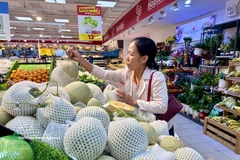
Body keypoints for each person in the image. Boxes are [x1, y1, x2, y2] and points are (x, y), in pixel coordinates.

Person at [67, 37, 174, 135]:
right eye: (127, 53)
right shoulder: (128, 73)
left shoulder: (156, 77)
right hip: (141, 123)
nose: (126, 58)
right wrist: (81, 60)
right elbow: (104, 74)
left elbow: (162, 107)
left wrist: (133, 101)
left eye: (131, 54)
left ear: (144, 59)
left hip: (158, 127)